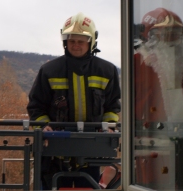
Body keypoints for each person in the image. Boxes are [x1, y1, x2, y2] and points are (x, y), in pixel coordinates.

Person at [27, 12, 121, 189]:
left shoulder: (107, 71)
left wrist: (108, 125)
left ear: (91, 41)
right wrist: (43, 126)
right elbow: (36, 106)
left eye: (81, 41)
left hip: (90, 152)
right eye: (71, 41)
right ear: (65, 42)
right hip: (54, 152)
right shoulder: (49, 70)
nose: (76, 45)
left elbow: (113, 105)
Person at [134, 7, 183, 190]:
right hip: (152, 152)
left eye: (176, 33)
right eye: (165, 33)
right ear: (150, 36)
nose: (171, 38)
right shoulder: (135, 65)